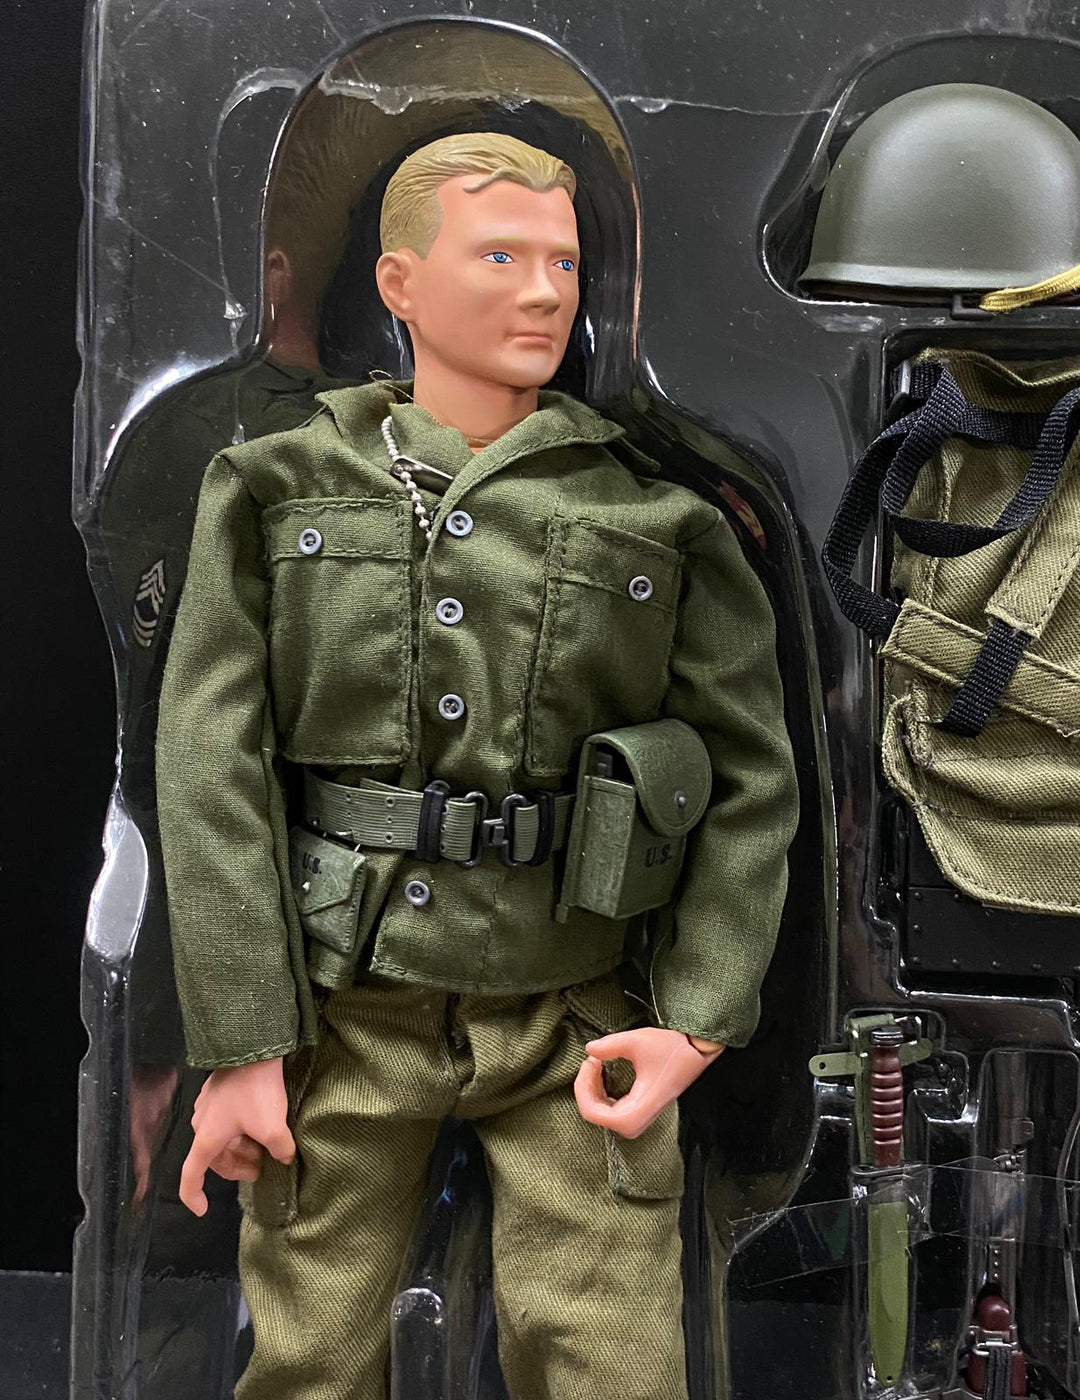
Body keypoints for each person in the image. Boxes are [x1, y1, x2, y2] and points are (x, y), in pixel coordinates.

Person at [155, 131, 799, 1400]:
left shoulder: (653, 516)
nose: (544, 292)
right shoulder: (275, 487)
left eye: (563, 262)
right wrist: (242, 1040)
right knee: (307, 1355)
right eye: (500, 255)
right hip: (345, 1002)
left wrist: (694, 1017)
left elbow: (747, 777)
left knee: (612, 1359)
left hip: (573, 1010)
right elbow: (209, 763)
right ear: (397, 283)